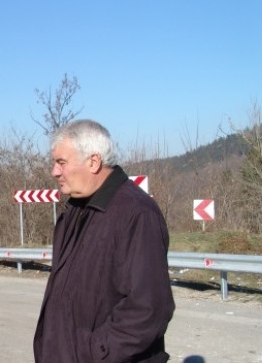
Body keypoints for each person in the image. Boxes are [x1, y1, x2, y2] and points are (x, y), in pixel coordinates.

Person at [33, 119, 175, 363]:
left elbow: (149, 309)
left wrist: (93, 354)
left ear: (94, 162)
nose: (54, 171)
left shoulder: (136, 213)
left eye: (61, 163)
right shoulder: (75, 211)